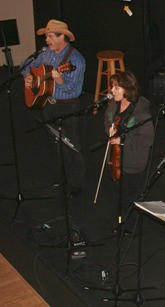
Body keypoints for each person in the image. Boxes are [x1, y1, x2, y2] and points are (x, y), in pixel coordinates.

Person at [22, 19, 86, 197]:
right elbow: (24, 65)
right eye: (47, 36)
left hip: (68, 107)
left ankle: (77, 183)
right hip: (48, 104)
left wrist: (59, 81)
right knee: (54, 144)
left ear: (62, 37)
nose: (47, 40)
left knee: (71, 145)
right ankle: (62, 176)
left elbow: (74, 89)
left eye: (50, 36)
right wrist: (28, 76)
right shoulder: (46, 54)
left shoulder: (75, 60)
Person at [104, 70, 154, 235]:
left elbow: (147, 140)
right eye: (112, 87)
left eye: (116, 88)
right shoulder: (114, 105)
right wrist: (110, 130)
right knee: (118, 193)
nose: (112, 90)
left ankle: (131, 226)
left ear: (127, 89)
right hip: (117, 158)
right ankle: (121, 221)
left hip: (134, 161)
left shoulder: (141, 113)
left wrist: (123, 141)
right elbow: (107, 119)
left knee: (131, 194)